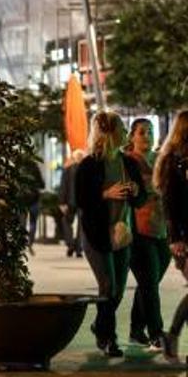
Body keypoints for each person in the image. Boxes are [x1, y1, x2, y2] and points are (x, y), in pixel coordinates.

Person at [77, 112, 147, 358]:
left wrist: (137, 191)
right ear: (109, 133)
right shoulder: (89, 164)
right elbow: (81, 200)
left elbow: (141, 199)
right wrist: (105, 194)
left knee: (116, 292)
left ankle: (100, 325)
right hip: (97, 235)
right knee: (108, 286)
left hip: (123, 233)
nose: (126, 133)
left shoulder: (127, 163)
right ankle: (108, 339)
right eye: (121, 128)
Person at [124, 118, 170, 349]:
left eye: (150, 131)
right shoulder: (128, 162)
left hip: (163, 229)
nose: (147, 136)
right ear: (132, 137)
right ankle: (156, 332)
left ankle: (135, 329)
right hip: (139, 230)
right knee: (150, 284)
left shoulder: (160, 159)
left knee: (148, 283)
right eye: (142, 132)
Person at [154, 111, 188, 362]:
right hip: (184, 236)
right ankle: (172, 336)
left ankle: (172, 337)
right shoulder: (173, 162)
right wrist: (175, 237)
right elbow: (170, 203)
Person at [60, 150, 86, 258]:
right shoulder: (86, 170)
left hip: (72, 202)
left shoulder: (68, 169)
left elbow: (63, 186)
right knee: (80, 226)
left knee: (67, 222)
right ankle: (77, 248)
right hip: (81, 202)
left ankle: (71, 245)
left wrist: (62, 202)